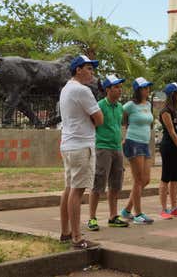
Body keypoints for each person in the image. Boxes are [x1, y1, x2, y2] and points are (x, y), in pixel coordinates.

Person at [59, 55, 104, 249]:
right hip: (81, 145)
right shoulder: (82, 90)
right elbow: (99, 118)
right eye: (89, 69)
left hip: (69, 145)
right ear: (78, 69)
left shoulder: (66, 89)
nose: (91, 73)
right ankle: (77, 237)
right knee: (77, 191)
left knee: (69, 188)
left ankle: (66, 232)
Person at [87, 74, 129, 232]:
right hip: (102, 148)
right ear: (108, 89)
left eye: (120, 87)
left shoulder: (120, 107)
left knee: (115, 184)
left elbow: (118, 125)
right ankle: (92, 218)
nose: (120, 90)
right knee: (98, 183)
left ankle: (113, 216)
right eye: (116, 87)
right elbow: (93, 126)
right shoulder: (99, 106)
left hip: (117, 148)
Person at [121, 76, 155, 224]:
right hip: (133, 142)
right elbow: (119, 117)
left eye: (148, 87)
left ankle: (127, 210)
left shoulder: (148, 104)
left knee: (146, 179)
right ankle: (138, 214)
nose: (148, 90)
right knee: (138, 179)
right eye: (145, 88)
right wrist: (122, 135)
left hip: (145, 143)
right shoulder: (129, 105)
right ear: (138, 90)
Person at [158, 82, 177, 219]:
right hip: (168, 146)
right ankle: (164, 209)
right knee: (166, 177)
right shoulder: (165, 111)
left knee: (175, 178)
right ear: (173, 94)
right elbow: (171, 131)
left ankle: (174, 207)